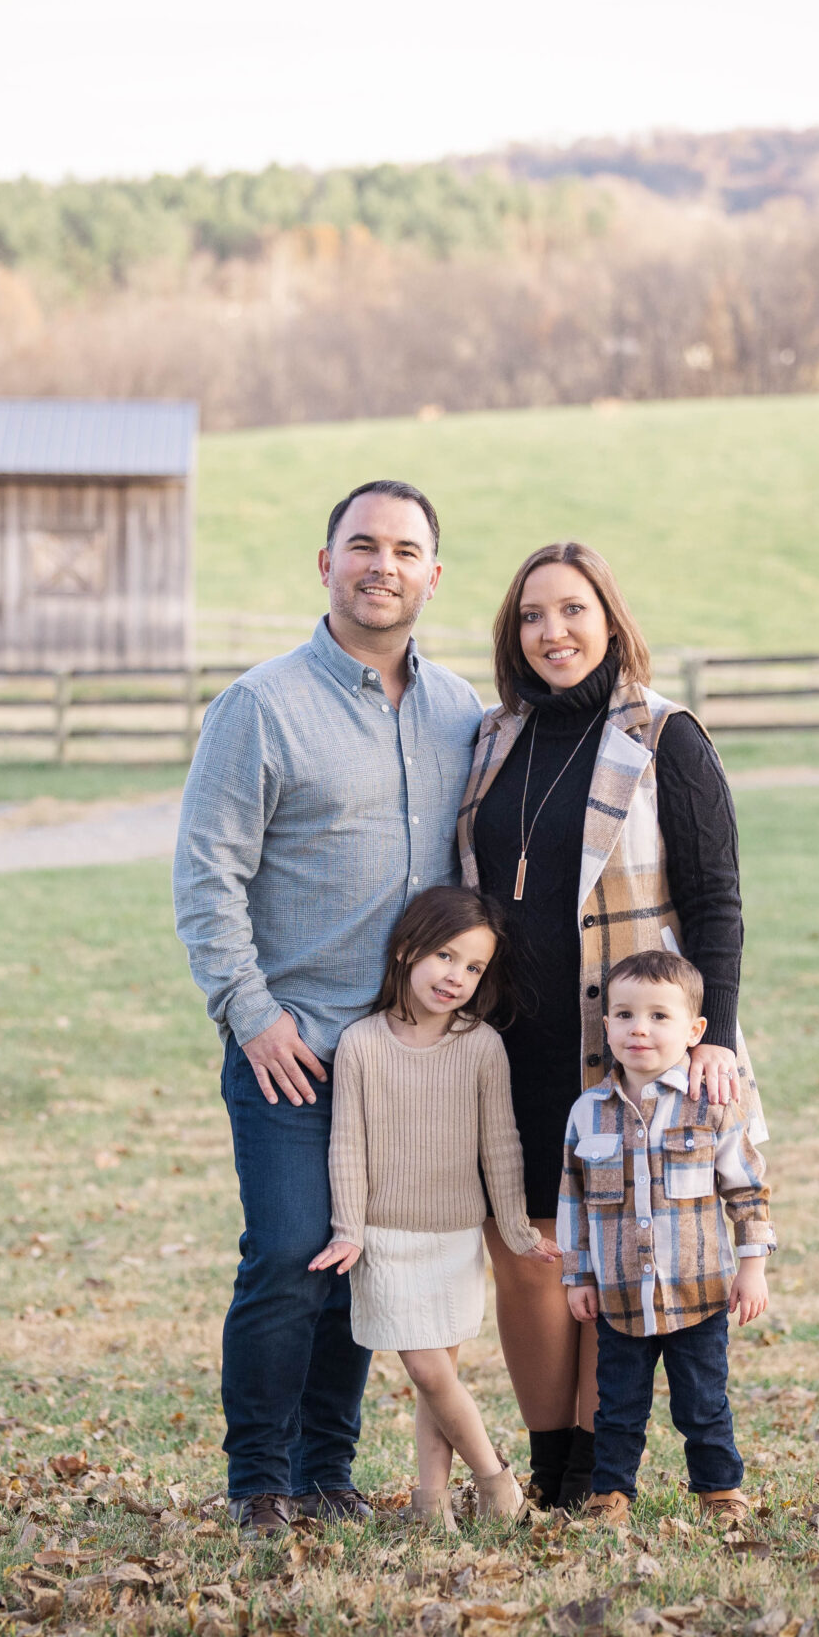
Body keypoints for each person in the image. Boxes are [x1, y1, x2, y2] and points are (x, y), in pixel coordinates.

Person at [174, 480, 486, 1536]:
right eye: (362, 546)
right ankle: (258, 1479)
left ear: (432, 576)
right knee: (291, 1252)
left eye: (405, 551)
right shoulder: (258, 706)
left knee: (363, 1263)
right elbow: (207, 877)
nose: (381, 566)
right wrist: (246, 1010)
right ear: (325, 564)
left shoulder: (459, 713)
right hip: (293, 1045)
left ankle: (325, 1472)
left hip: (403, 1059)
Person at [454, 540, 753, 1508]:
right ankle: (556, 1465)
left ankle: (600, 1470)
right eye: (533, 616)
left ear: (611, 623)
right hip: (508, 1041)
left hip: (629, 1039)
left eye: (573, 610)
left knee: (619, 1249)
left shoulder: (667, 738)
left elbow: (715, 901)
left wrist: (711, 1038)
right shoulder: (491, 741)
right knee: (531, 1252)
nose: (554, 632)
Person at [310, 886, 560, 1529]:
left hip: (455, 1235)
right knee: (424, 1365)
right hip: (386, 1236)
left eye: (474, 967)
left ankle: (431, 1505)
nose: (457, 977)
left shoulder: (479, 1045)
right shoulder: (362, 1043)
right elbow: (348, 1145)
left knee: (435, 1376)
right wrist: (349, 1229)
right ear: (405, 949)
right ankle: (496, 1481)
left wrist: (513, 1227)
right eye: (446, 957)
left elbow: (500, 1145)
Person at [558, 950, 772, 1525]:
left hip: (698, 1293)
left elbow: (746, 1188)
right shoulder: (588, 1114)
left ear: (695, 1030)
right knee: (618, 1407)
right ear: (606, 1027)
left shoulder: (713, 1105)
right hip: (621, 1297)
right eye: (625, 1015)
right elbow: (572, 1201)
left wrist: (752, 1266)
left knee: (703, 1404)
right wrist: (577, 1275)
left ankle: (719, 1490)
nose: (639, 1029)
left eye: (659, 1016)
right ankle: (611, 1493)